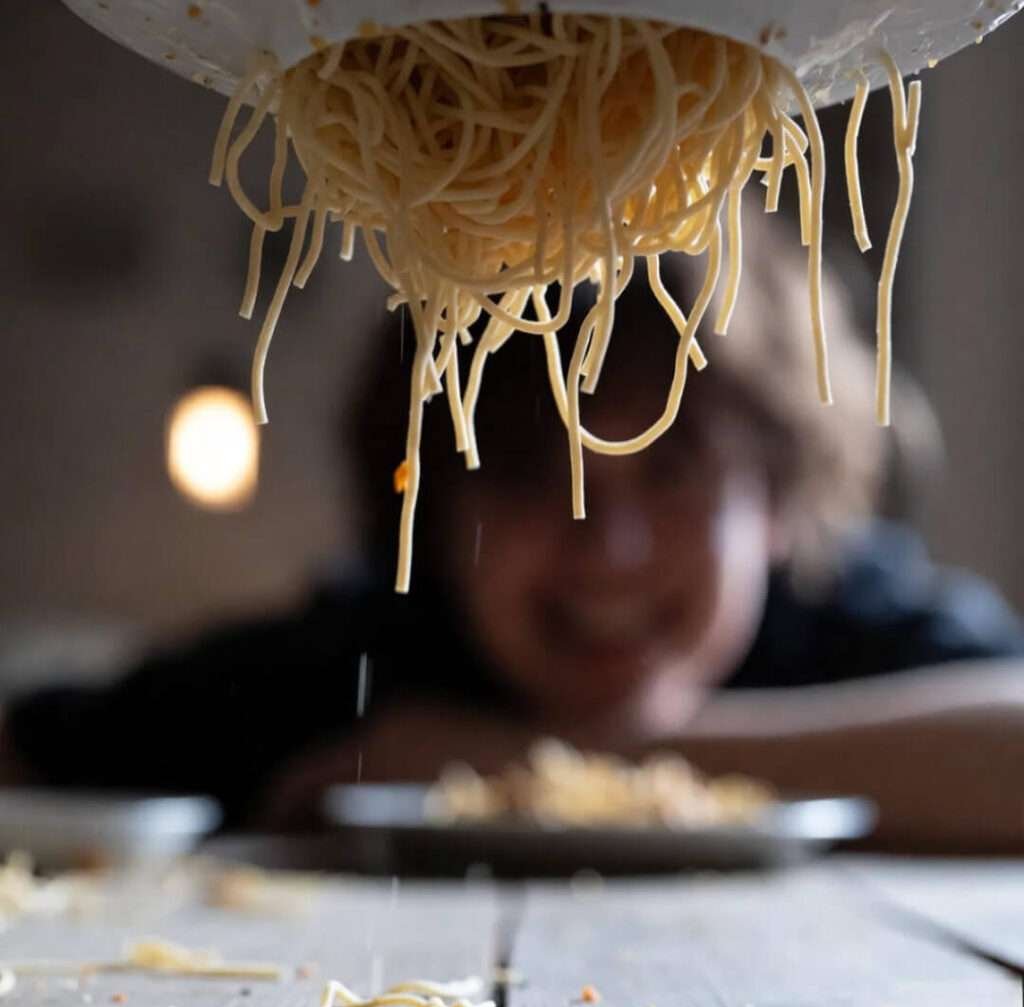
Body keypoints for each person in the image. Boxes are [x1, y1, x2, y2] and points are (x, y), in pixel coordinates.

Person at [2, 211, 1023, 850]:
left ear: (777, 505)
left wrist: (528, 763)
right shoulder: (366, 659)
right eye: (532, 476)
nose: (607, 548)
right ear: (433, 516)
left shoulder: (844, 613)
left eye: (672, 473)